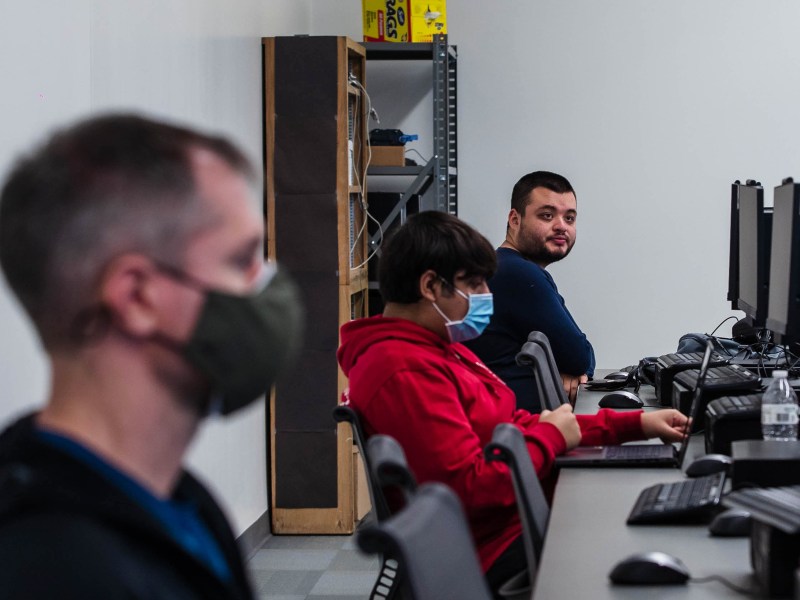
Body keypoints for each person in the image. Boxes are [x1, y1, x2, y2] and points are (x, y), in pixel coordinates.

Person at [0, 114, 303, 599]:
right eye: (242, 260)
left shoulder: (180, 501)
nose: (267, 285)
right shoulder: (55, 573)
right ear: (137, 297)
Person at [336, 210, 689, 598]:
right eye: (474, 284)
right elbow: (468, 490)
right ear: (431, 287)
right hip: (492, 547)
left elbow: (517, 424)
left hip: (513, 522)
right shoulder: (403, 371)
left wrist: (637, 425)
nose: (487, 296)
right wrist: (550, 437)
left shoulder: (439, 350)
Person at [465, 170, 594, 412]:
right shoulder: (517, 273)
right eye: (547, 216)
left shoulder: (503, 266)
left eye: (570, 218)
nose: (561, 226)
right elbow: (580, 355)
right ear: (515, 219)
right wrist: (574, 368)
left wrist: (575, 367)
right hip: (514, 429)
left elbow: (576, 357)